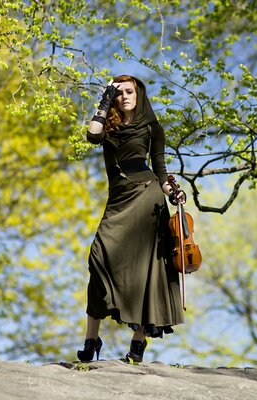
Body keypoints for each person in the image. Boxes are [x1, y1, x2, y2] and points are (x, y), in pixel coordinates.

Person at [77, 75, 185, 363]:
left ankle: (138, 344)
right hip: (118, 200)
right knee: (98, 257)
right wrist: (105, 97)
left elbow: (160, 170)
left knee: (149, 270)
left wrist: (173, 192)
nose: (125, 96)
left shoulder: (152, 128)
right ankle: (92, 337)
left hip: (147, 197)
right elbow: (92, 134)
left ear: (139, 94)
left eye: (129, 91)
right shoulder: (108, 126)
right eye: (119, 92)